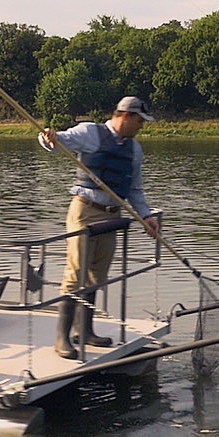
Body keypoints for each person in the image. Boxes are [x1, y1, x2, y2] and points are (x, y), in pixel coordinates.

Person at [39, 96, 162, 359]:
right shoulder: (90, 132)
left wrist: (146, 216)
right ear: (126, 116)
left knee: (98, 275)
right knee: (75, 275)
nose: (142, 126)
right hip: (85, 211)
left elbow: (134, 190)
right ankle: (62, 338)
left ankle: (85, 331)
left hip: (111, 215)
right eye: (140, 121)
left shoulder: (135, 150)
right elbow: (57, 141)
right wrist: (48, 137)